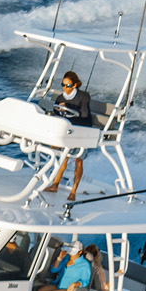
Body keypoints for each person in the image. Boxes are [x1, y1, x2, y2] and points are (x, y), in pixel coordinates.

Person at [43, 71, 96, 199]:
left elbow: (84, 114)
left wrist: (68, 106)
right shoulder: (60, 98)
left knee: (78, 161)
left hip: (83, 130)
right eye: (63, 85)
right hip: (68, 130)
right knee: (63, 158)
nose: (65, 88)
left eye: (68, 85)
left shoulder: (84, 96)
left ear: (75, 85)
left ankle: (73, 191)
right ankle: (55, 185)